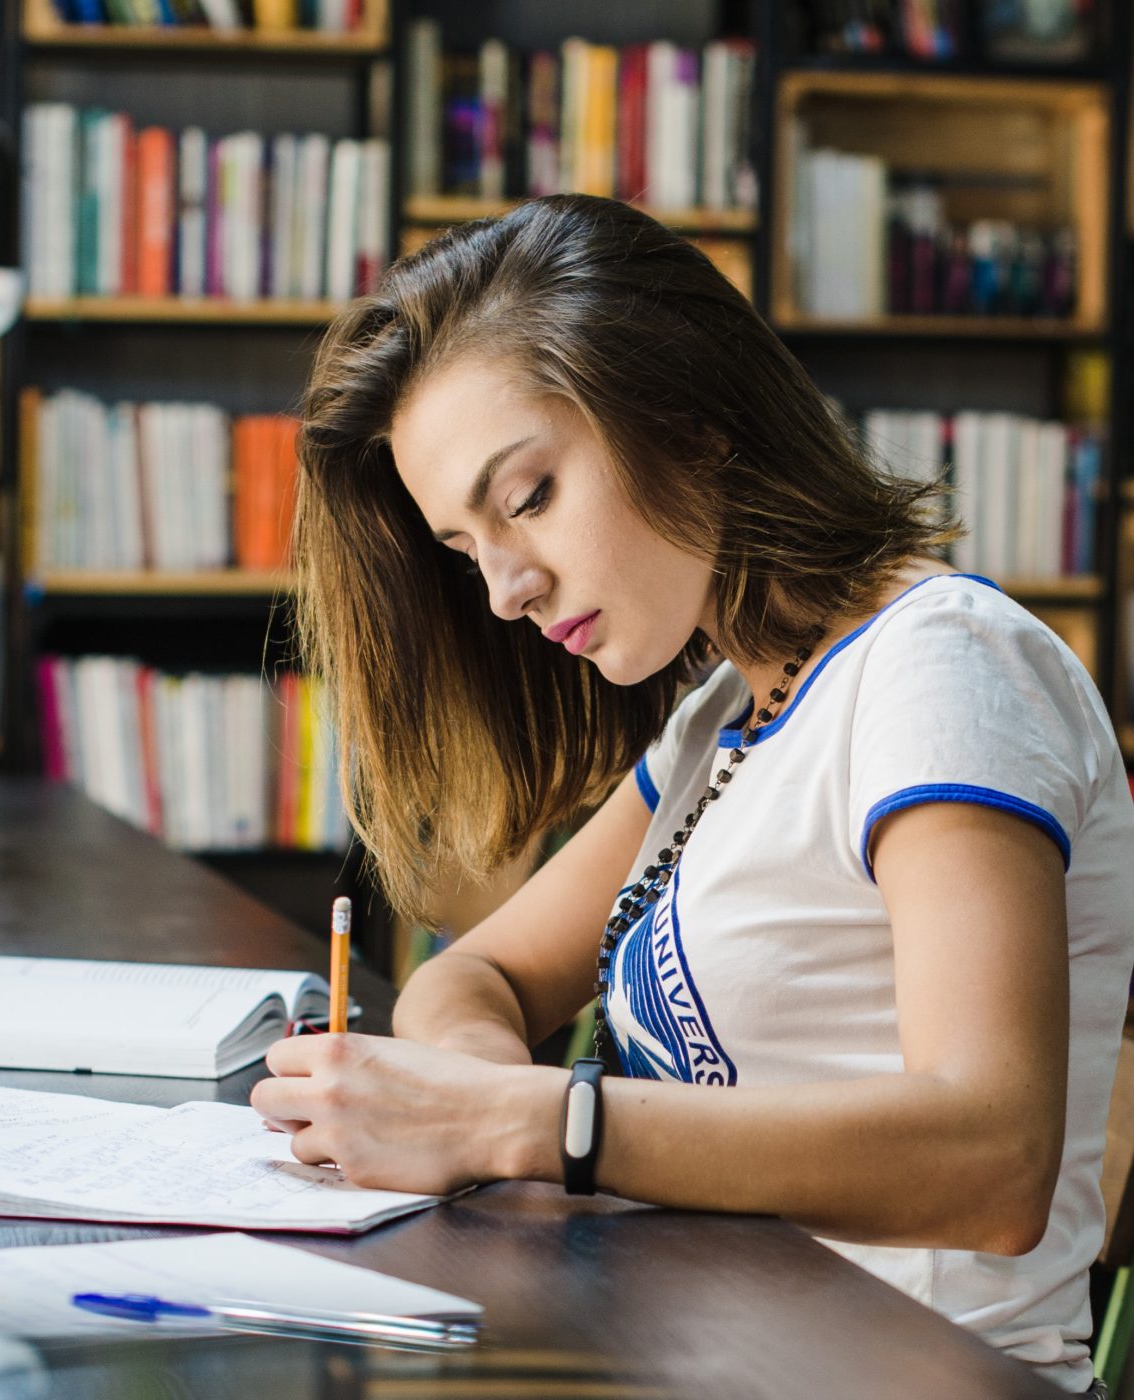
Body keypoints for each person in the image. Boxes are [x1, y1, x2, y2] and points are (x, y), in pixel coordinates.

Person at [250, 194, 1134, 1394]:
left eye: (527, 498)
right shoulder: (724, 713)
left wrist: (521, 1122)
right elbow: (478, 975)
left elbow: (991, 1156)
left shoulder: (940, 668)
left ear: (692, 417)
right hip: (685, 1349)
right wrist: (475, 1085)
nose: (504, 588)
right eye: (465, 550)